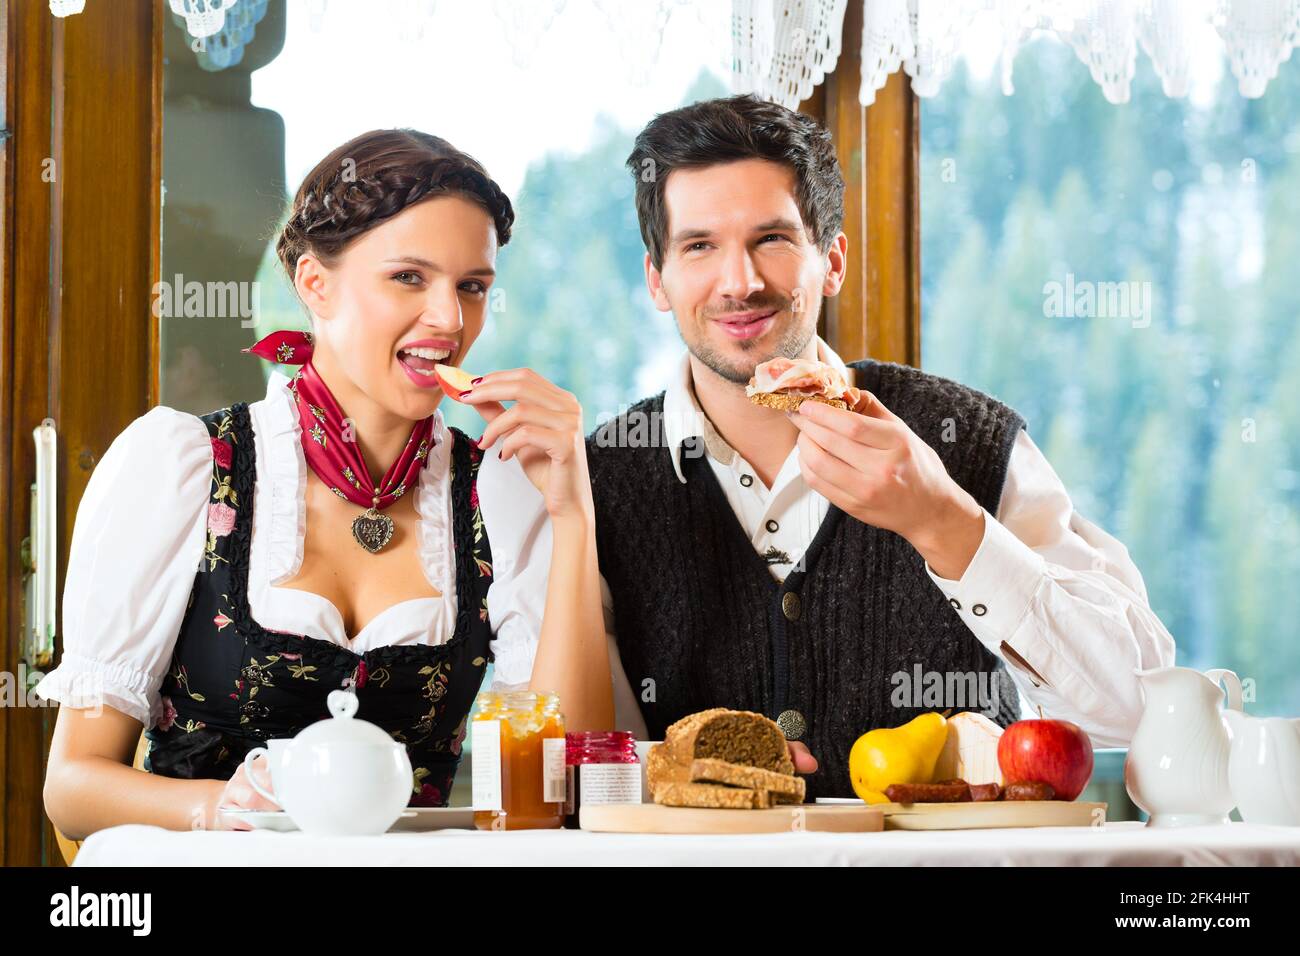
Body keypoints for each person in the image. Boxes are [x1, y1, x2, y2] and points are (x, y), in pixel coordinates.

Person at [586, 95, 1176, 800]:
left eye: (772, 239)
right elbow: (585, 762)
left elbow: (1136, 707)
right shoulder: (602, 477)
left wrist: (942, 521)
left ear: (831, 261)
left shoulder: (968, 438)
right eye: (700, 246)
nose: (740, 282)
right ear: (657, 279)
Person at [37, 129, 612, 837]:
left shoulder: (500, 487)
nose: (450, 320)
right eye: (410, 277)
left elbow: (571, 790)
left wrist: (573, 513)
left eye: (472, 287)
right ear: (316, 284)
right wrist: (226, 809)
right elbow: (71, 788)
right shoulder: (185, 465)